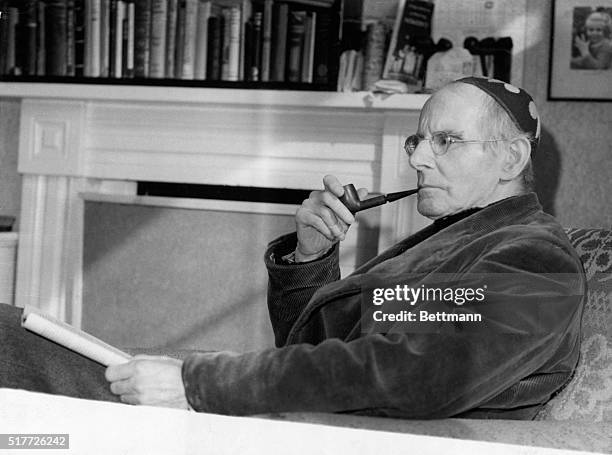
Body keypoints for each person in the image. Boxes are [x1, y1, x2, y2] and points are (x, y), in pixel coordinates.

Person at [0, 77, 585, 419]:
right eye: (418, 139)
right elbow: (322, 349)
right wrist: (310, 256)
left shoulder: (533, 257)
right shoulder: (459, 242)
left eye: (446, 141)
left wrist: (202, 384)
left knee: (27, 365)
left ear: (512, 157)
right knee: (26, 344)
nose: (417, 158)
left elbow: (426, 370)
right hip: (309, 417)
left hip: (339, 440)